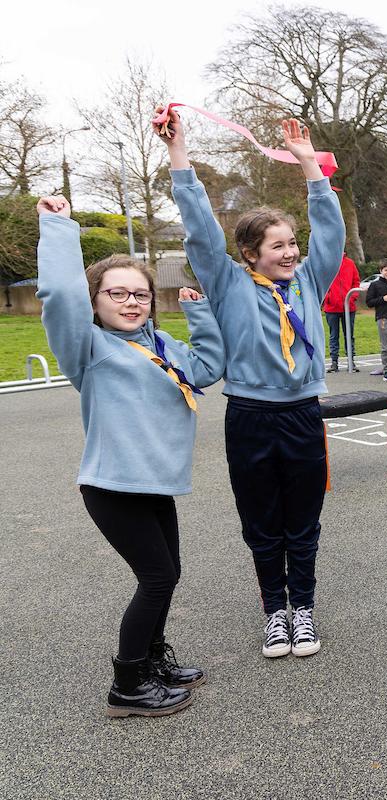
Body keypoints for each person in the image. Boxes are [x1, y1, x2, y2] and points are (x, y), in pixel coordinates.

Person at [162, 110, 346, 660]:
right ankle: (275, 613)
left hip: (302, 417)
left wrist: (310, 164)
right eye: (277, 246)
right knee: (262, 523)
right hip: (249, 417)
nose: (290, 252)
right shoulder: (227, 284)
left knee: (303, 521)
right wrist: (180, 154)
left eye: (292, 243)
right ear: (249, 254)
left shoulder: (311, 278)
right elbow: (199, 228)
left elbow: (329, 230)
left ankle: (304, 610)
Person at [36, 195, 225, 717]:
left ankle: (152, 661)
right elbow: (57, 294)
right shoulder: (89, 349)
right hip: (113, 488)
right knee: (157, 578)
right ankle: (127, 684)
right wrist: (57, 227)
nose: (130, 302)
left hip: (156, 485)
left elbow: (208, 369)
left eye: (139, 294)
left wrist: (197, 310)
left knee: (168, 574)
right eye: (116, 293)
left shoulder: (161, 344)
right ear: (94, 302)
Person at [321, 253, 360, 373]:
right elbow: (322, 283)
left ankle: (351, 360)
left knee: (349, 334)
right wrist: (328, 298)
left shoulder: (350, 263)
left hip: (349, 307)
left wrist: (352, 297)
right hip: (332, 307)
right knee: (334, 335)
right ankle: (334, 362)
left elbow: (356, 281)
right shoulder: (327, 264)